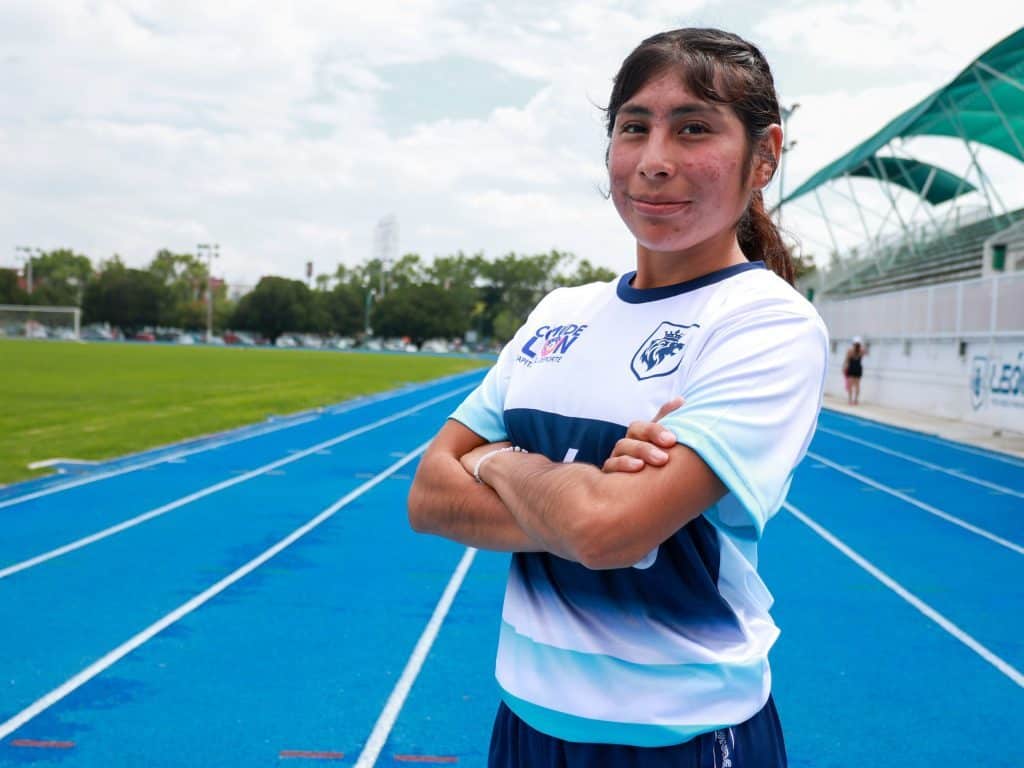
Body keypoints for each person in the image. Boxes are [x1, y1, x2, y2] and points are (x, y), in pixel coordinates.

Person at [408, 27, 828, 768]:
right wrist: (580, 495)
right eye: (634, 127)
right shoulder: (559, 314)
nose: (655, 161)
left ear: (764, 157)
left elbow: (606, 534)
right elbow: (428, 496)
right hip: (525, 726)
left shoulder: (767, 324)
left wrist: (498, 461)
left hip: (684, 738)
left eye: (693, 128)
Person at [842, 336, 868, 405]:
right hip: (858, 369)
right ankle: (856, 400)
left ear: (853, 343)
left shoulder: (850, 351)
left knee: (850, 386)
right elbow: (866, 352)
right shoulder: (861, 351)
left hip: (851, 369)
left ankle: (850, 400)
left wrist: (843, 368)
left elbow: (846, 360)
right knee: (857, 386)